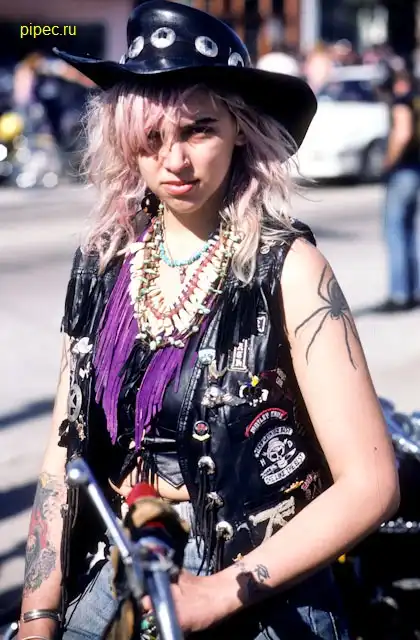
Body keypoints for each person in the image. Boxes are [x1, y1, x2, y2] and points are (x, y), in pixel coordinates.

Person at [16, 2, 400, 639]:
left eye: (199, 130)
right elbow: (65, 457)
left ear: (240, 129)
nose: (174, 161)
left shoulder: (290, 268)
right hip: (119, 566)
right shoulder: (103, 263)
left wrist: (218, 593)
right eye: (151, 137)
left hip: (260, 587)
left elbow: (371, 483)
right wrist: (38, 613)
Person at [375, 67, 420, 312]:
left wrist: (388, 162)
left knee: (395, 232)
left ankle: (400, 294)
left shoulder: (402, 102)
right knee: (412, 233)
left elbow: (402, 133)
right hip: (416, 169)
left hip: (403, 171)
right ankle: (414, 290)